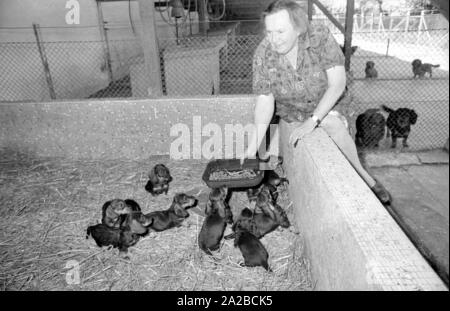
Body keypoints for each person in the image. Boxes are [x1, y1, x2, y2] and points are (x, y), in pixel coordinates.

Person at [240, 0, 391, 204]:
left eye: (280, 32)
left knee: (330, 122)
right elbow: (265, 101)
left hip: (331, 101)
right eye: (269, 32)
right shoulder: (263, 54)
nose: (273, 40)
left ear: (299, 28)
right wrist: (252, 148)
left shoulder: (319, 36)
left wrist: (313, 121)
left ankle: (366, 179)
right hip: (294, 109)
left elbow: (337, 84)